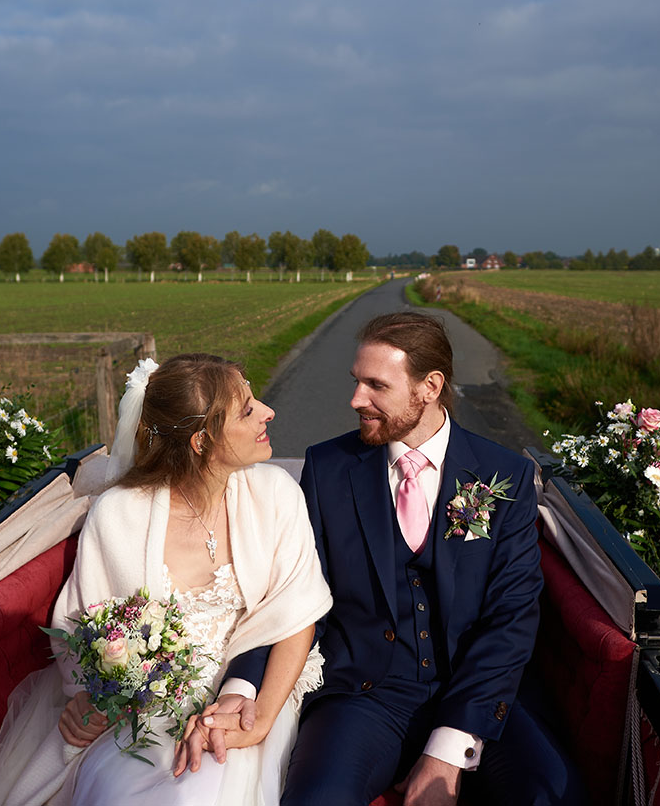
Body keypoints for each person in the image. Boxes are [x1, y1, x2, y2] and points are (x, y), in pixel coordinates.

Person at [207, 312, 583, 805]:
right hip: (362, 697)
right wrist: (244, 684)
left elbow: (510, 618)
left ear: (429, 386)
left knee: (552, 796)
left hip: (479, 693)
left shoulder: (503, 474)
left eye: (375, 385)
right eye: (356, 382)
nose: (355, 400)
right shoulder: (329, 468)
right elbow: (293, 592)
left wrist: (448, 749)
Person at [0, 353, 332, 806]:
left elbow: (298, 618)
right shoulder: (119, 513)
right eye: (247, 409)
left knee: (206, 789)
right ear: (201, 440)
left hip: (249, 691)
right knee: (122, 792)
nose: (268, 411)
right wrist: (85, 695)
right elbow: (85, 625)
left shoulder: (277, 494)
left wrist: (257, 719)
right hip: (144, 709)